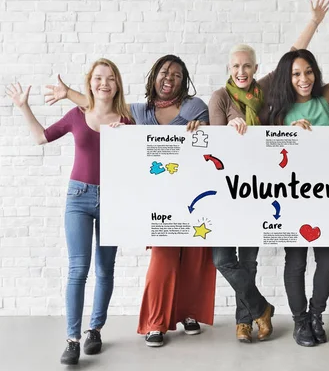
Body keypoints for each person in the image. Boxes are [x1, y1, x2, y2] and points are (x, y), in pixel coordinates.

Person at [44, 55, 216, 348]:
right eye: (164, 72)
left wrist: (200, 129)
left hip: (191, 192)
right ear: (153, 77)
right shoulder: (137, 111)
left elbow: (210, 140)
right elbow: (103, 106)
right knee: (163, 258)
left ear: (184, 80)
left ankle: (188, 313)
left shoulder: (194, 107)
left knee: (193, 257)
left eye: (176, 74)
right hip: (156, 198)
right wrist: (69, 93)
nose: (169, 78)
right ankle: (155, 322)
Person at [208, 0, 329, 343]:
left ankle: (243, 323)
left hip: (259, 187)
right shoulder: (220, 97)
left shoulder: (263, 92)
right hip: (226, 186)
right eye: (236, 66)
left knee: (248, 261)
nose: (242, 71)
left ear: (254, 66)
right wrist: (232, 129)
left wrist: (314, 23)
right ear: (229, 69)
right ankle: (262, 308)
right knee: (222, 258)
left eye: (247, 65)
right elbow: (217, 146)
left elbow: (290, 58)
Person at [6, 59, 132, 365]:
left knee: (105, 269)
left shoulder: (127, 121)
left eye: (111, 78)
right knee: (79, 269)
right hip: (78, 197)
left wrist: (126, 139)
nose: (104, 83)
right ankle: (72, 339)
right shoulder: (77, 114)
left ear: (117, 85)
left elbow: (141, 165)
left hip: (114, 199)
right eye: (99, 78)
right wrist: (24, 107)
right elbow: (40, 137)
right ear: (89, 83)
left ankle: (94, 330)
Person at [266, 0, 329, 347]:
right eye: (296, 73)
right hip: (292, 196)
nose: (303, 78)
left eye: (308, 72)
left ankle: (316, 314)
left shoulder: (324, 98)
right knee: (295, 262)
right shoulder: (276, 110)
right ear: (287, 77)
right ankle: (300, 321)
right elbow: (263, 152)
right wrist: (288, 135)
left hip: (328, 194)